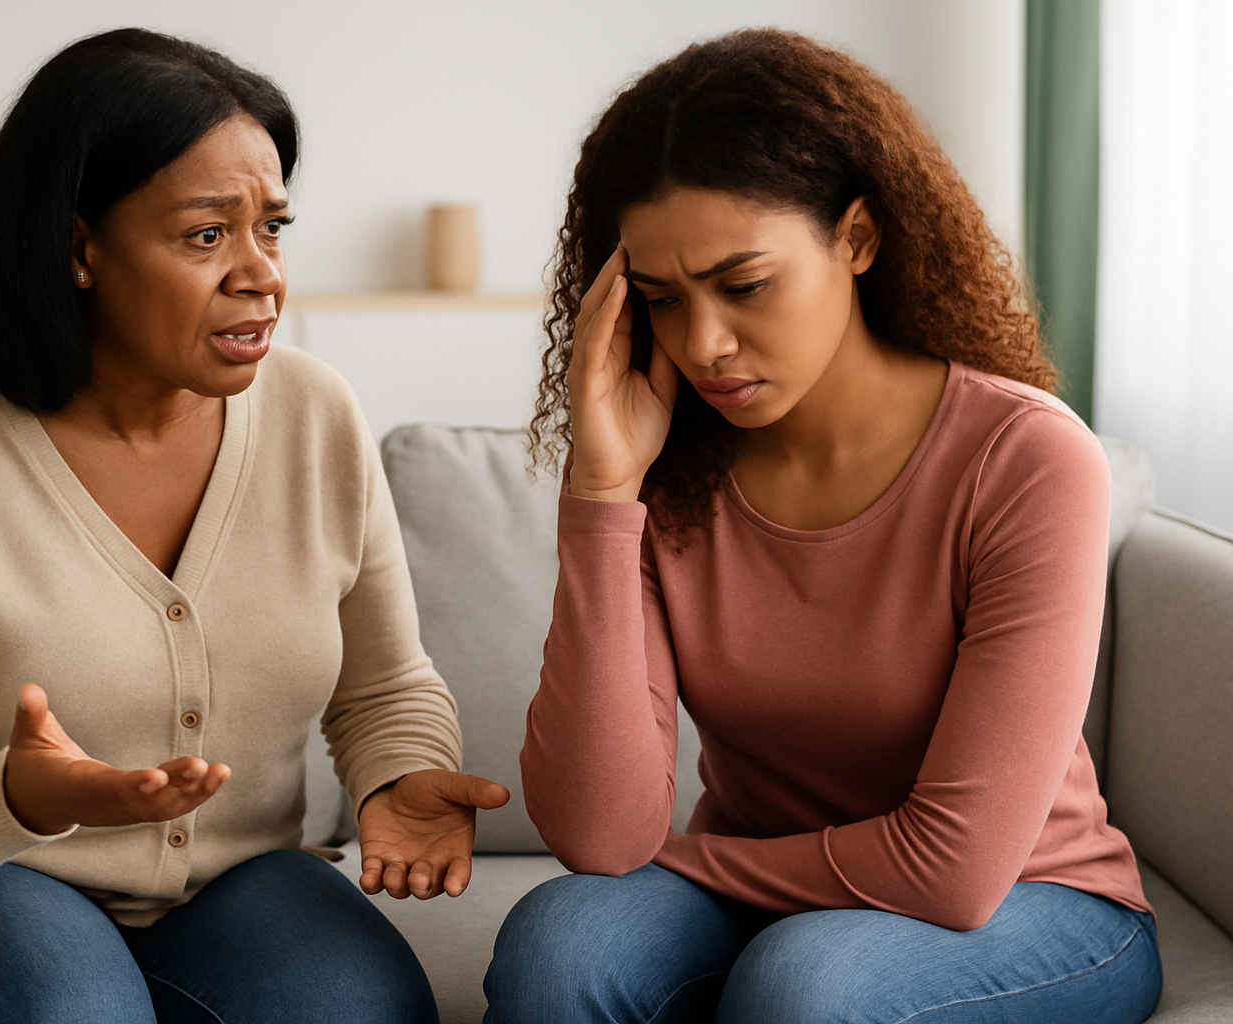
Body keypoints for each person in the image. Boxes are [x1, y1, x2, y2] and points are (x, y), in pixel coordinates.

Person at [0, 28, 508, 1024]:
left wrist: (401, 776)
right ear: (80, 245)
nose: (262, 275)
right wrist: (17, 795)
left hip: (233, 887)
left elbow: (383, 683)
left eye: (273, 228)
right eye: (207, 235)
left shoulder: (316, 415)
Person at [485, 28, 1160, 1024]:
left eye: (744, 285)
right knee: (560, 941)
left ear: (857, 236)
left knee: (806, 982)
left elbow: (956, 870)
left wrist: (707, 861)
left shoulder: (1024, 458)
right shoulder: (668, 469)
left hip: (1036, 904)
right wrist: (601, 491)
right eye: (663, 301)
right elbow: (600, 834)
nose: (704, 343)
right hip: (772, 900)